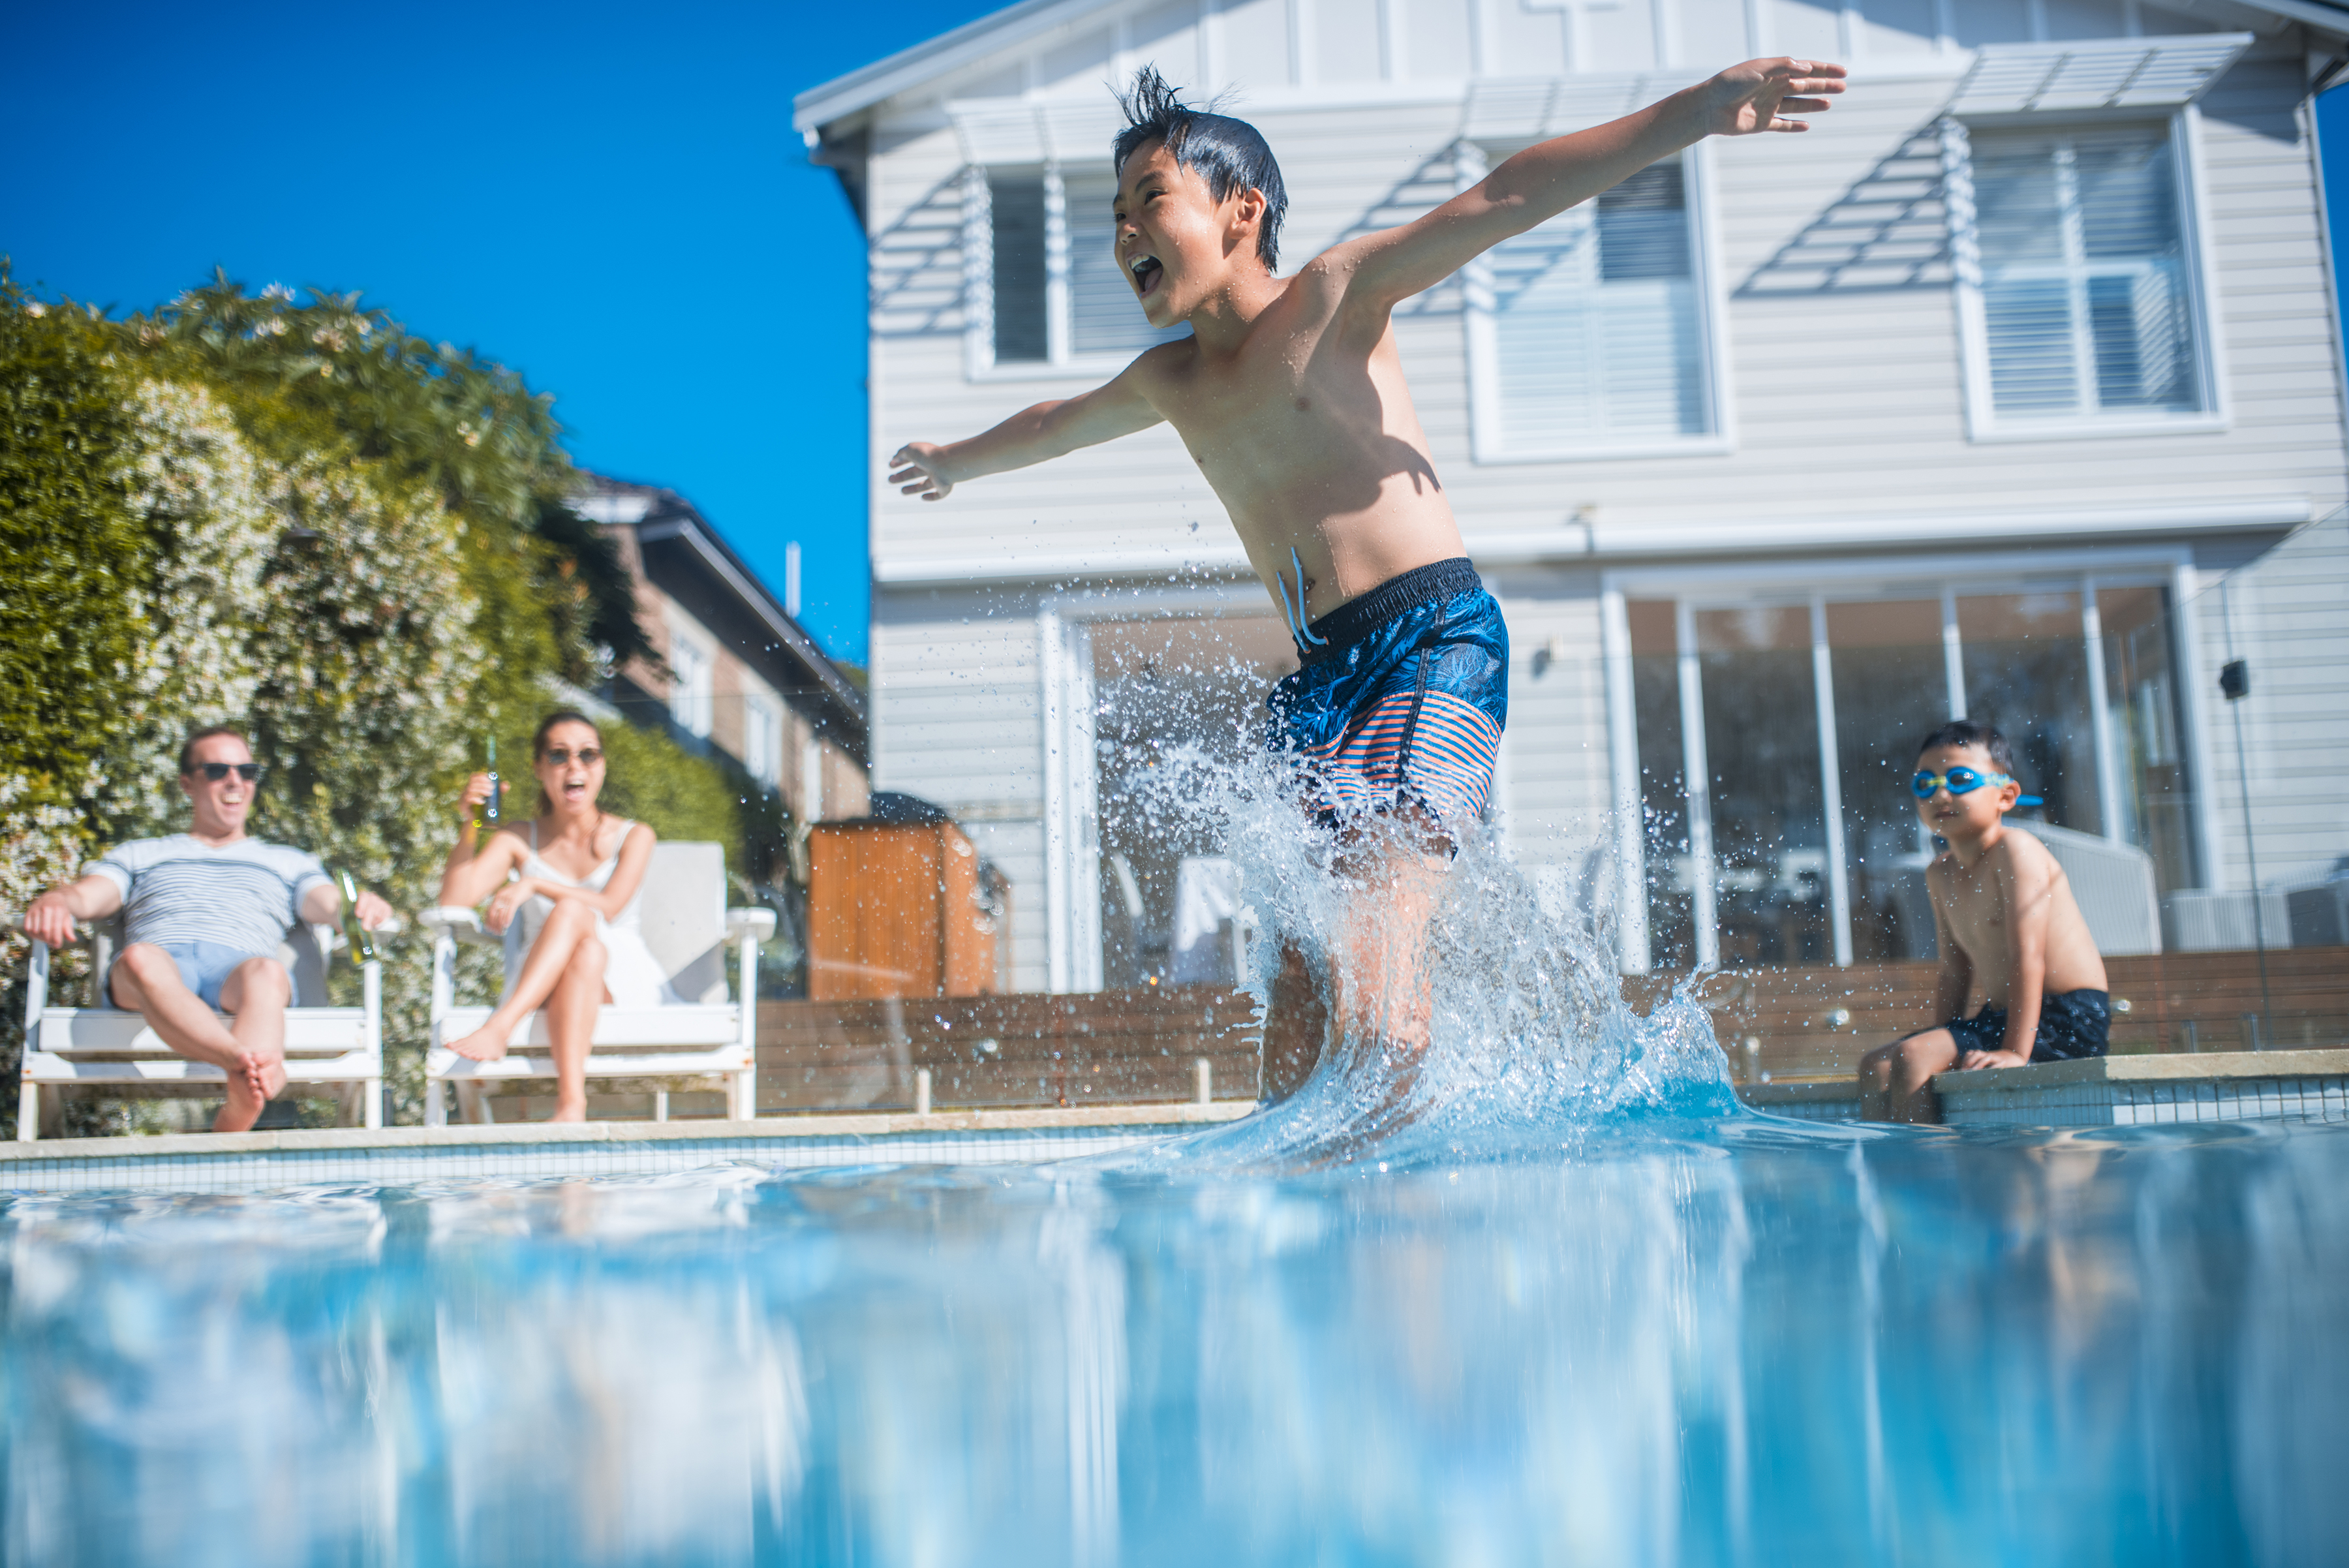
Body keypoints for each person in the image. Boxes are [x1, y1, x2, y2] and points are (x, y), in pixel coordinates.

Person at [886, 59, 1847, 1101]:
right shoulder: (1171, 381)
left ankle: (1399, 1198)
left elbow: (1506, 197)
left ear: (1242, 210)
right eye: (1115, 214)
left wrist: (1695, 116)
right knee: (1301, 972)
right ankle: (1303, 1186)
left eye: (1150, 200)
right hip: (1321, 681)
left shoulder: (1336, 300)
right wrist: (958, 463)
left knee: (1374, 939)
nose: (1124, 232)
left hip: (1431, 639)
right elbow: (1056, 425)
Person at [16, 726, 393, 1133]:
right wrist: (59, 900)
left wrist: (356, 909)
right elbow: (88, 896)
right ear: (187, 783)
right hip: (154, 971)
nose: (236, 781)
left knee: (268, 972)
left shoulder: (286, 861)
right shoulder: (142, 854)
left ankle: (237, 1106)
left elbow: (328, 903)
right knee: (141, 959)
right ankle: (244, 1061)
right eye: (217, 770)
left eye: (247, 771)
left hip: (236, 970)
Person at [1856, 721, 2111, 1124]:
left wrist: (2014, 1052)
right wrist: (1936, 1042)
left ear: (2006, 795)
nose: (1941, 793)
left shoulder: (2016, 850)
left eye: (1959, 779)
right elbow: (1953, 972)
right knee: (1878, 1067)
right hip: (2004, 1016)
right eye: (1926, 784)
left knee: (1911, 1057)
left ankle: (1928, 1174)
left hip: (2068, 1017)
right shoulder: (1939, 874)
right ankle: (1888, 1174)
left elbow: (2028, 957)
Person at [436, 711, 677, 1121]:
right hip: (539, 978)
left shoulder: (634, 835)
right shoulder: (517, 837)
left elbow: (610, 907)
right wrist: (470, 825)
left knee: (581, 931)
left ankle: (503, 1028)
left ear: (602, 765)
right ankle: (571, 1105)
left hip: (619, 978)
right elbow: (453, 903)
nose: (575, 767)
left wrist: (533, 884)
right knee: (582, 951)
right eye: (559, 756)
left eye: (588, 755)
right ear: (538, 768)